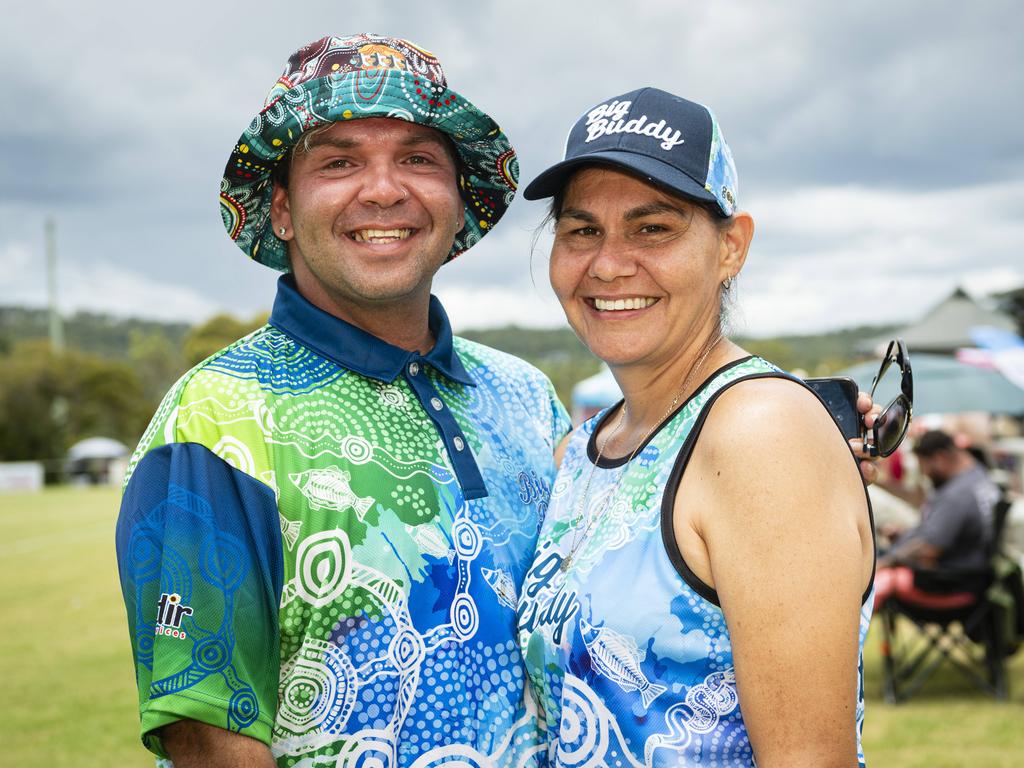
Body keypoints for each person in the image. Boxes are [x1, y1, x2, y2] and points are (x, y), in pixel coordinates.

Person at [115, 34, 570, 767]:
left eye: (419, 158)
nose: (385, 190)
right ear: (284, 210)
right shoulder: (214, 421)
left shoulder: (526, 396)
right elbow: (208, 740)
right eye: (339, 161)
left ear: (459, 203)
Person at [516, 88, 877, 767]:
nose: (609, 262)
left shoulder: (760, 432)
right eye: (582, 228)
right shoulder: (592, 446)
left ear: (731, 247)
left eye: (653, 228)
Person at [873, 429, 1001, 610]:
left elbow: (928, 550)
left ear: (940, 457)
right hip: (976, 576)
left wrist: (885, 563)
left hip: (952, 583)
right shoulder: (979, 476)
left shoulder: (957, 495)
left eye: (923, 465)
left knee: (877, 584)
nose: (924, 473)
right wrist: (904, 537)